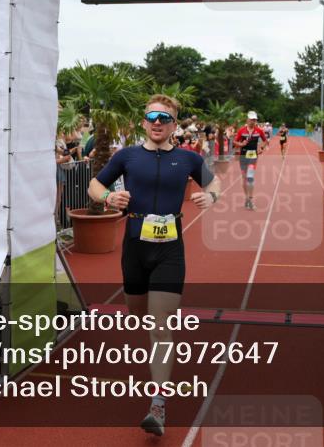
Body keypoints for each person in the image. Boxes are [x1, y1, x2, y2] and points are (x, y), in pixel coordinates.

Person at [88, 94, 221, 437]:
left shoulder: (189, 159)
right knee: (138, 314)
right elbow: (94, 184)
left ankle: (158, 404)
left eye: (165, 117)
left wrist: (212, 196)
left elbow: (214, 182)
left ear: (174, 124)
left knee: (161, 327)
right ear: (144, 123)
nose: (158, 122)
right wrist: (107, 198)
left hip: (170, 249)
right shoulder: (127, 156)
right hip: (135, 246)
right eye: (152, 117)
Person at [233, 111, 268, 210]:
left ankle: (251, 199)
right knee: (244, 177)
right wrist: (241, 144)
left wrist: (261, 148)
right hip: (243, 157)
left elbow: (265, 141)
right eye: (252, 119)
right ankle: (247, 197)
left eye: (255, 119)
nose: (253, 121)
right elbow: (235, 142)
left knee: (250, 177)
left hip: (253, 156)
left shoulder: (259, 131)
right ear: (247, 119)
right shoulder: (241, 131)